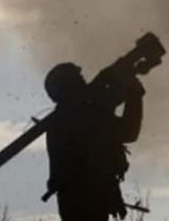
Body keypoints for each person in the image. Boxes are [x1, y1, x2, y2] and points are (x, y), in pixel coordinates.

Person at [44, 62, 145, 221]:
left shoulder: (65, 119)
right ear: (70, 87)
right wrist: (134, 94)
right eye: (79, 80)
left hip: (79, 198)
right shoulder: (79, 118)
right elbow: (128, 132)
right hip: (86, 198)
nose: (85, 83)